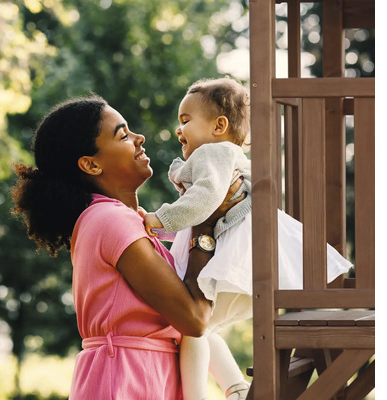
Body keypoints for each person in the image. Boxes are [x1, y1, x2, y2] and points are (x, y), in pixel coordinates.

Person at [11, 94, 245, 400]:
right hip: (126, 378)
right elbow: (194, 318)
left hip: (142, 373)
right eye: (123, 135)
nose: (139, 138)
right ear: (91, 164)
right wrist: (206, 222)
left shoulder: (125, 221)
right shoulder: (110, 220)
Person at [143, 77, 353, 400]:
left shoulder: (213, 154)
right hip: (243, 254)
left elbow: (206, 200)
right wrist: (162, 227)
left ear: (219, 126)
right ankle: (237, 389)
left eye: (185, 120)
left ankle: (198, 396)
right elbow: (199, 213)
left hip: (233, 253)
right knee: (202, 327)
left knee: (192, 327)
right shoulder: (230, 156)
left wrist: (160, 219)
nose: (178, 129)